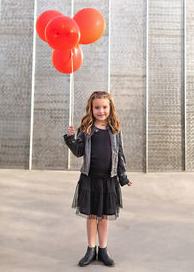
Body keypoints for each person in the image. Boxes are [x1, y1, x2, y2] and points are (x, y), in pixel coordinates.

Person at [64, 91, 132, 267]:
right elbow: (79, 152)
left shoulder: (115, 129)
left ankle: (103, 250)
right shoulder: (86, 129)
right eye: (97, 107)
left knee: (104, 217)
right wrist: (71, 139)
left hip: (108, 180)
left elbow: (120, 154)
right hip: (90, 180)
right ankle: (90, 249)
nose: (101, 111)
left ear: (110, 108)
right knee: (92, 216)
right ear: (91, 108)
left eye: (104, 107)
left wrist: (123, 177)